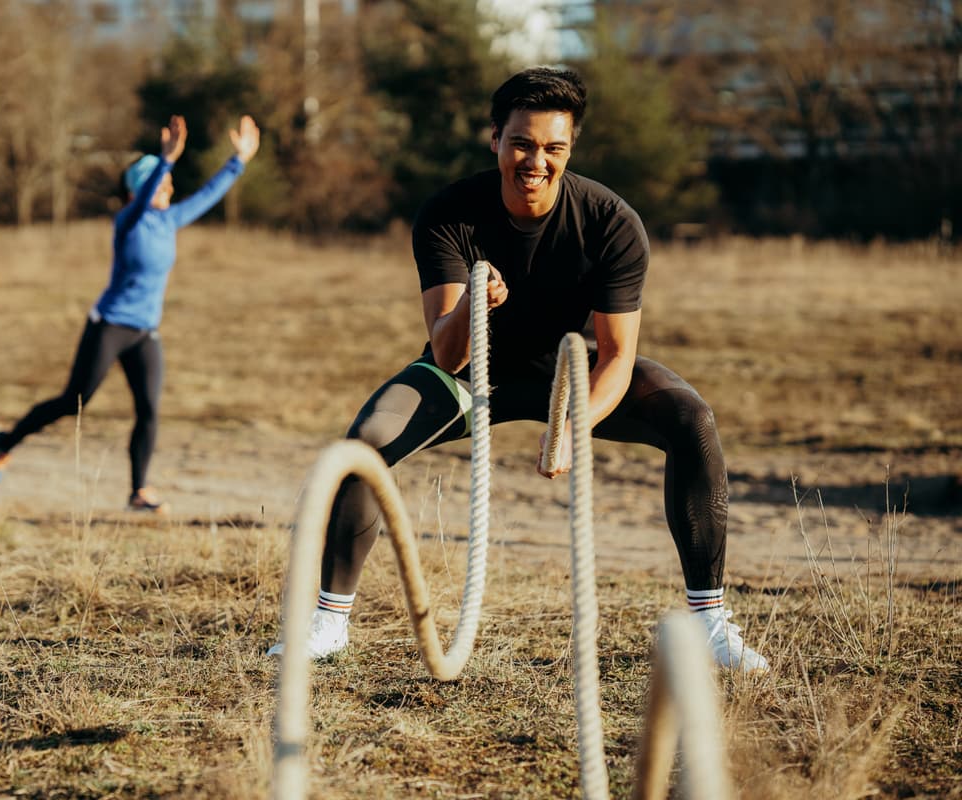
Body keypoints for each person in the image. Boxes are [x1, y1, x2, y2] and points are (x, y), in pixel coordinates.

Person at [268, 68, 768, 671]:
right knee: (367, 442)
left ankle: (709, 624)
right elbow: (447, 352)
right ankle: (326, 625)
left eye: (553, 148)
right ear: (495, 140)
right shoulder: (450, 213)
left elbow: (617, 355)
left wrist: (571, 425)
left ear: (570, 150)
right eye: (522, 144)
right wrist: (476, 305)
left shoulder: (611, 222)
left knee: (691, 417)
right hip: (467, 374)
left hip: (570, 370)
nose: (537, 161)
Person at [0, 114, 261, 512]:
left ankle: (138, 491)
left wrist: (240, 161)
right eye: (162, 183)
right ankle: (3, 444)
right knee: (72, 401)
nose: (169, 187)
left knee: (149, 411)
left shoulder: (169, 222)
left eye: (168, 182)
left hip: (144, 332)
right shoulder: (129, 222)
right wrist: (165, 160)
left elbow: (206, 196)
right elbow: (148, 186)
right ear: (141, 190)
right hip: (110, 326)